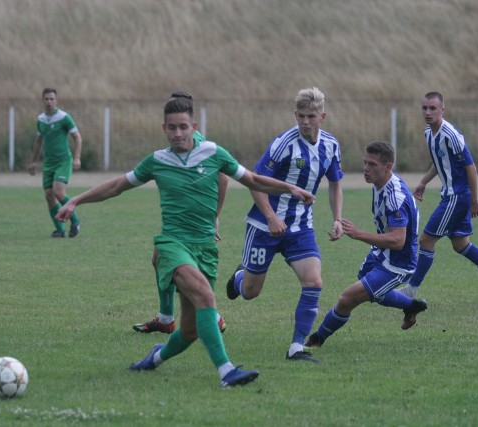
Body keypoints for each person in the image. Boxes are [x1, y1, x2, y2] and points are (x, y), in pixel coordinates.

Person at [56, 93, 314, 387]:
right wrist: (76, 200)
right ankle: (227, 372)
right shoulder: (157, 161)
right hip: (172, 246)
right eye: (171, 127)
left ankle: (154, 359)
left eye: (182, 127)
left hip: (204, 248)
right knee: (206, 296)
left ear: (193, 126)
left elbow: (253, 180)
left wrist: (289, 188)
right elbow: (117, 186)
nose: (177, 133)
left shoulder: (214, 153)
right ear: (163, 128)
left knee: (190, 331)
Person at [225, 87, 343, 363]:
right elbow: (254, 182)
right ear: (295, 115)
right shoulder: (283, 144)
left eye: (311, 116)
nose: (304, 122)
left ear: (322, 116)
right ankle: (238, 278)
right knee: (252, 293)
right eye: (300, 116)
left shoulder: (331, 145)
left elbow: (335, 183)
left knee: (313, 281)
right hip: (265, 226)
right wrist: (271, 217)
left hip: (300, 227)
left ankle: (296, 348)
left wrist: (337, 218)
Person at [305, 141, 428, 350]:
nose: (366, 169)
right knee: (370, 289)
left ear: (388, 166)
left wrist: (358, 234)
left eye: (372, 164)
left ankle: (317, 340)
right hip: (382, 253)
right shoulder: (381, 183)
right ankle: (412, 305)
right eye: (365, 163)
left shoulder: (394, 197)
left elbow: (398, 241)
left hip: (398, 263)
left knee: (348, 298)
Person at [397, 92, 478, 304]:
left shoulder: (450, 135)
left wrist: (474, 199)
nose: (427, 112)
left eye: (433, 108)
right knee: (460, 244)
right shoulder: (429, 133)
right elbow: (439, 162)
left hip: (456, 197)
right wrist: (423, 182)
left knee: (425, 240)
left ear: (442, 110)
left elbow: (471, 166)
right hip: (454, 196)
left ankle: (411, 290)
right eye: (424, 108)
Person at [132, 91, 226, 335]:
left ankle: (209, 315)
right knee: (160, 259)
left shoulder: (200, 143)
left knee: (182, 267)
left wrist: (215, 216)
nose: (176, 131)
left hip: (196, 226)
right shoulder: (176, 142)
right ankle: (167, 318)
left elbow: (223, 177)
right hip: (179, 223)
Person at [28, 88, 83, 238]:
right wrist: (33, 162)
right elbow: (38, 141)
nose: (49, 102)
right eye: (46, 99)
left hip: (63, 161)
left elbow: (77, 137)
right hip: (48, 163)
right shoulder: (41, 120)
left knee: (58, 192)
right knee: (48, 195)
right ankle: (59, 229)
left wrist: (77, 157)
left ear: (56, 100)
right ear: (42, 101)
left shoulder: (64, 117)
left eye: (52, 99)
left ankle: (76, 221)